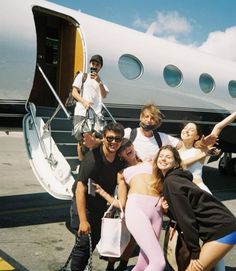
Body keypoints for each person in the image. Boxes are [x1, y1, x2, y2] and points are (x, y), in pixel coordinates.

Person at [153, 145, 236, 271]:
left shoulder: (172, 182)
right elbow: (187, 209)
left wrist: (195, 252)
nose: (163, 159)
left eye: (168, 157)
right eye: (161, 156)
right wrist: (168, 211)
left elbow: (186, 219)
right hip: (219, 227)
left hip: (222, 229)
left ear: (176, 162)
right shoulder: (175, 179)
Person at [94, 138, 168, 271]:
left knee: (145, 261)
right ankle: (111, 265)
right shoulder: (122, 173)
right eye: (121, 149)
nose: (126, 149)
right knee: (159, 262)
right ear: (120, 155)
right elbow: (121, 203)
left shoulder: (151, 162)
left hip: (157, 211)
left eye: (127, 145)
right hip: (136, 208)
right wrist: (102, 192)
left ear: (132, 146)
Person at [69, 122, 125, 271]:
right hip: (84, 203)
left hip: (99, 204)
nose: (113, 142)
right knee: (84, 244)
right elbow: (80, 189)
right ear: (104, 138)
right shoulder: (93, 159)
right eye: (110, 138)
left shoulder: (119, 158)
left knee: (93, 240)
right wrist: (83, 220)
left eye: (117, 139)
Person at [72, 54, 109, 160]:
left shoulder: (102, 80)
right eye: (93, 63)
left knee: (96, 140)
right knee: (82, 140)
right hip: (81, 112)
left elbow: (104, 95)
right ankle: (82, 165)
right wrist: (83, 101)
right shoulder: (82, 76)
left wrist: (99, 82)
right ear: (89, 64)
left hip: (96, 114)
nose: (95, 66)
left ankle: (90, 165)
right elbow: (74, 92)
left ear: (100, 67)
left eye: (97, 64)